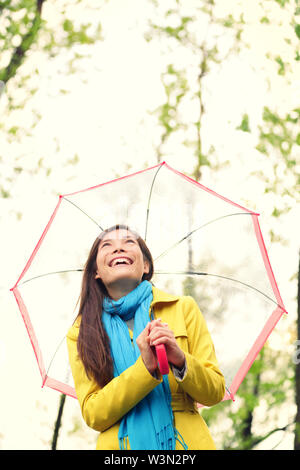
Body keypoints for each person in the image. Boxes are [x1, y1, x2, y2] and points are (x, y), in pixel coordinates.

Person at [67, 224, 225, 450]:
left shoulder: (183, 308)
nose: (118, 249)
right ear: (96, 272)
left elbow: (214, 391)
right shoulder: (81, 332)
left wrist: (180, 360)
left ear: (146, 265)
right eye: (107, 245)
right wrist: (145, 369)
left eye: (129, 242)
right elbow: (94, 414)